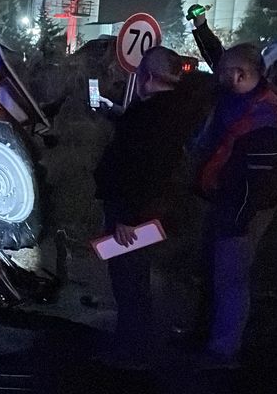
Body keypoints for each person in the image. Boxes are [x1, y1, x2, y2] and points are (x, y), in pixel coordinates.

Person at [93, 46, 210, 369]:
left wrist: (130, 219)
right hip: (140, 211)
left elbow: (145, 169)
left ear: (147, 76)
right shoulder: (168, 110)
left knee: (129, 282)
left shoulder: (154, 116)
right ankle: (132, 345)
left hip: (131, 215)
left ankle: (132, 352)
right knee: (133, 279)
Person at [188, 11, 277, 367]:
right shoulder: (240, 84)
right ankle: (203, 334)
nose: (217, 76)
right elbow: (219, 57)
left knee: (230, 278)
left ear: (243, 75)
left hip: (244, 207)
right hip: (223, 197)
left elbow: (256, 182)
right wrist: (200, 28)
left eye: (225, 73)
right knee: (210, 270)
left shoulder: (269, 119)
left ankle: (223, 351)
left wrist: (236, 221)